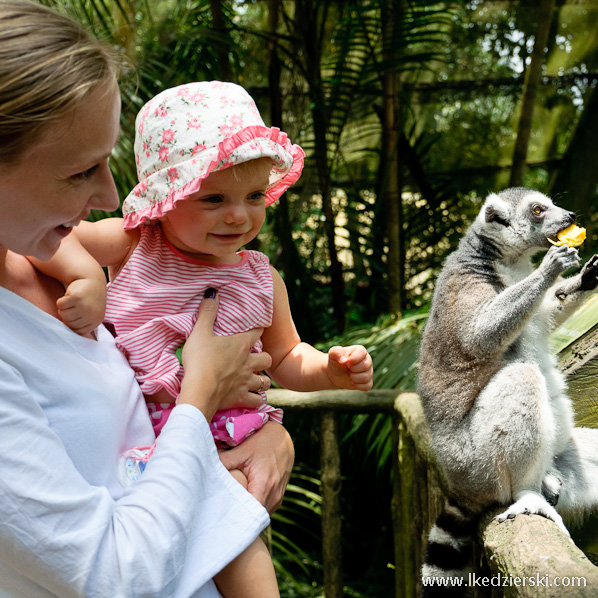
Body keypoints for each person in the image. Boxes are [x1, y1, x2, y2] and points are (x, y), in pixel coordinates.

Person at [32, 80, 375, 598]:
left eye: (254, 196)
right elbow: (49, 238)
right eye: (213, 198)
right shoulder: (134, 244)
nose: (238, 215)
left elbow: (285, 355)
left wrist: (328, 371)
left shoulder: (262, 278)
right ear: (164, 199)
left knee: (239, 551)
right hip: (147, 440)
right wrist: (87, 281)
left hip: (233, 437)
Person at [0, 2, 295, 597]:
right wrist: (201, 392)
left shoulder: (56, 268)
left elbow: (131, 441)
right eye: (80, 171)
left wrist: (267, 435)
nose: (111, 193)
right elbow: (114, 573)